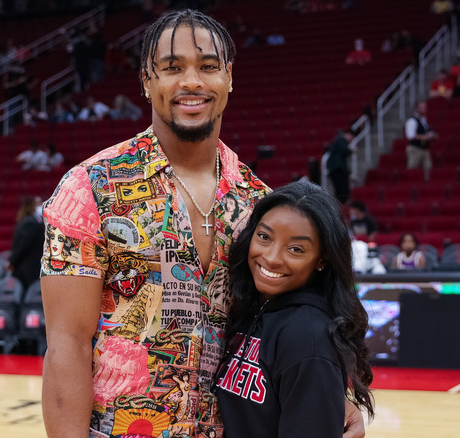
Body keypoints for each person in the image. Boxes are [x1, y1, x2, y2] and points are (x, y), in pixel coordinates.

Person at [39, 9, 365, 438]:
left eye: (208, 66)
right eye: (173, 68)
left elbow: (288, 324)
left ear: (228, 77)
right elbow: (68, 345)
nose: (191, 81)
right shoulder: (89, 190)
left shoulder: (258, 203)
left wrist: (331, 389)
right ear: (146, 80)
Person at [214, 181, 374, 438]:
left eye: (296, 249)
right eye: (264, 237)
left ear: (321, 259)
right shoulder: (253, 307)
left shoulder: (308, 338)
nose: (273, 257)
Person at [8, 196, 45, 289]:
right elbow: (22, 246)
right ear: (30, 206)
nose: (41, 205)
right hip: (28, 269)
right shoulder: (30, 222)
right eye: (38, 203)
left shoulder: (33, 221)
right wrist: (12, 261)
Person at [404, 100, 437, 181]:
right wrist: (425, 137)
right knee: (412, 171)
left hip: (425, 149)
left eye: (425, 107)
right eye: (421, 107)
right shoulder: (412, 121)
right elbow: (410, 136)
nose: (424, 109)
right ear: (416, 109)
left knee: (428, 171)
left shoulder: (424, 121)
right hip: (415, 149)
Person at [325, 129, 355, 204]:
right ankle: (341, 206)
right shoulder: (341, 140)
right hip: (337, 169)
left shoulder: (338, 141)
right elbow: (345, 150)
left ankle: (339, 205)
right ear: (348, 134)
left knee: (340, 190)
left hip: (336, 169)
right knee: (342, 190)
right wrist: (352, 150)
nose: (351, 139)